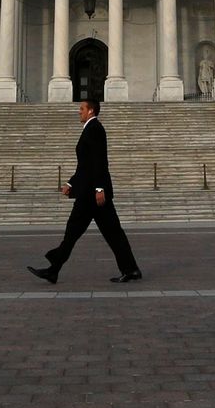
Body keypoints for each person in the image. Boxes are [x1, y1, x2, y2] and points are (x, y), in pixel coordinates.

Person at [28, 98, 141, 285]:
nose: (78, 111)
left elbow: (99, 162)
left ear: (91, 111)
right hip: (89, 193)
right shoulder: (90, 129)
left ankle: (54, 268)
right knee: (107, 233)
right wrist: (71, 184)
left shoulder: (95, 129)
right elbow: (85, 166)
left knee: (78, 231)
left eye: (81, 108)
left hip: (92, 196)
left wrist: (99, 188)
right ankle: (131, 269)